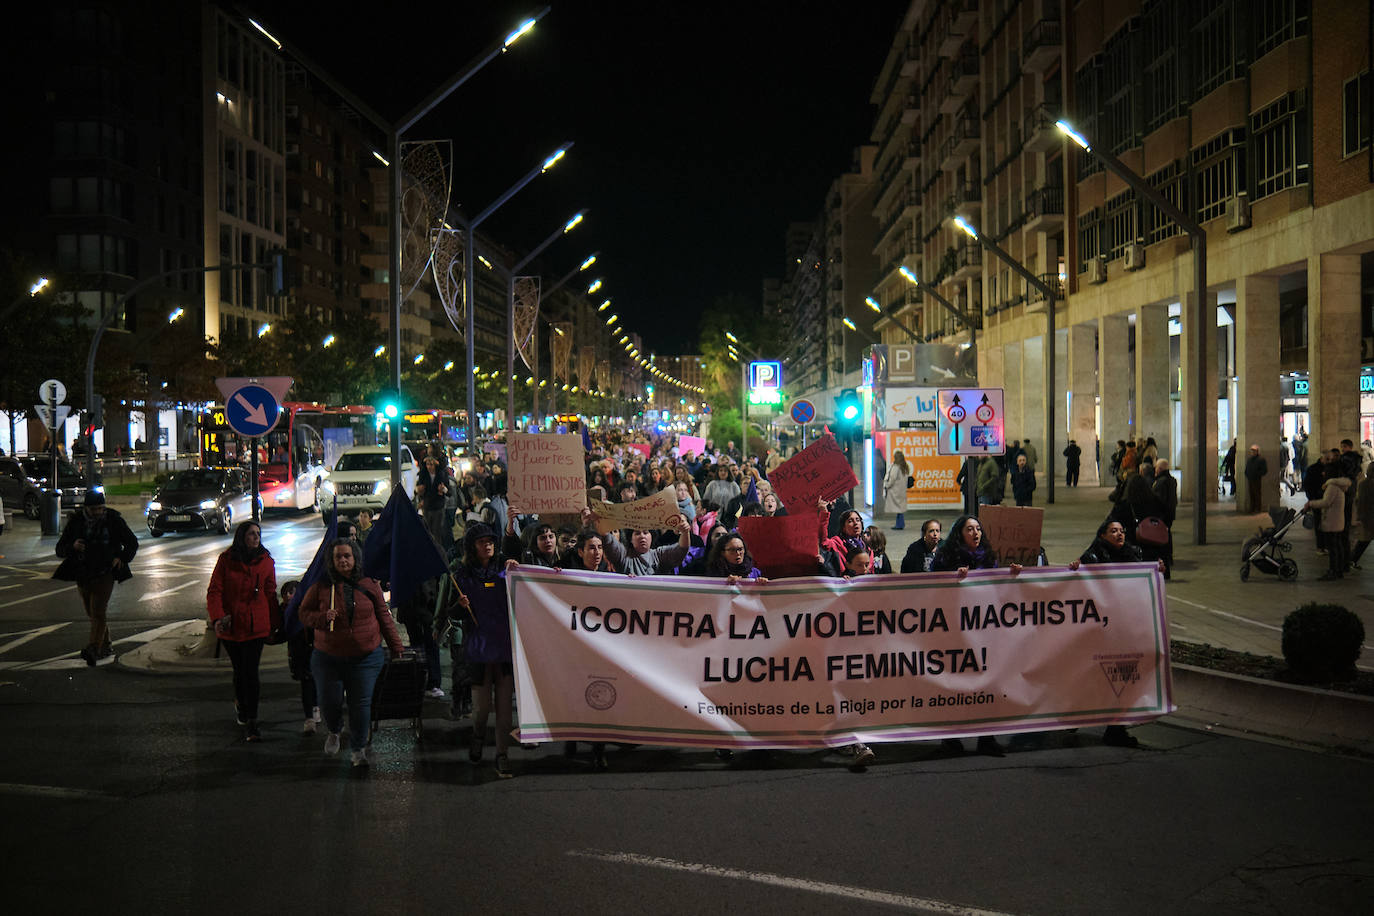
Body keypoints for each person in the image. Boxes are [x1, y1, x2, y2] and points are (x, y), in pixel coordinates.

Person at [297, 538, 404, 768]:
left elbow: (384, 617)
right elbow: (303, 613)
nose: (343, 560)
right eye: (338, 557)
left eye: (347, 556)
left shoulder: (369, 583)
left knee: (360, 704)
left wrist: (396, 645)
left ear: (355, 558)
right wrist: (322, 618)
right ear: (331, 561)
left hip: (365, 657)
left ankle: (358, 749)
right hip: (328, 658)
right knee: (329, 701)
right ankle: (335, 730)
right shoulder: (321, 585)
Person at [929, 515, 1020, 756]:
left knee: (987, 684)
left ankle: (986, 737)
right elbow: (930, 587)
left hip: (985, 633)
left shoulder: (988, 558)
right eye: (970, 529)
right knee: (956, 685)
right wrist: (952, 578)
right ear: (960, 533)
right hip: (956, 631)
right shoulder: (945, 558)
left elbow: (1000, 591)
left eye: (978, 528)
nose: (976, 533)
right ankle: (952, 739)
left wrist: (1011, 575)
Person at [1067, 519, 1162, 749]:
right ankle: (1074, 715)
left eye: (1121, 530)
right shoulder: (1093, 557)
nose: (1119, 534)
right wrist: (1074, 571)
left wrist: (1157, 570)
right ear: (1102, 536)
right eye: (1113, 531)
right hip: (1100, 632)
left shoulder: (1135, 554)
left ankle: (1116, 729)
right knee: (1094, 677)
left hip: (1125, 631)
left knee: (1121, 681)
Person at [451, 524, 517, 778]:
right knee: (481, 710)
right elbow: (452, 613)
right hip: (478, 650)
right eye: (481, 541)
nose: (487, 545)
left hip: (504, 648)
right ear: (472, 546)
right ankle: (478, 735)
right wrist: (459, 605)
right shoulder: (463, 575)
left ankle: (502, 755)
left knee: (503, 709)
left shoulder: (506, 568)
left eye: (490, 540)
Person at [207, 521, 281, 742]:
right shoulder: (226, 560)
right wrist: (218, 617)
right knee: (240, 671)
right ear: (242, 537)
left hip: (255, 627)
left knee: (251, 672)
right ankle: (241, 703)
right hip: (232, 626)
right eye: (251, 534)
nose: (256, 537)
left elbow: (270, 594)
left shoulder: (266, 561)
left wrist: (276, 624)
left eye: (258, 534)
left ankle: (252, 720)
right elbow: (215, 590)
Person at [54, 491, 138, 666]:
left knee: (98, 611)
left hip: (105, 572)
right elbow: (60, 548)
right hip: (83, 573)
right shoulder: (77, 522)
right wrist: (73, 546)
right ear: (87, 509)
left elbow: (132, 542)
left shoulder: (113, 520)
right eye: (94, 509)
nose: (98, 512)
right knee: (92, 613)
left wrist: (121, 557)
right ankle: (105, 645)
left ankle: (93, 648)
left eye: (101, 508)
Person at [281, 579, 321, 734]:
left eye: (293, 593)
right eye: (287, 593)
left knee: (314, 681)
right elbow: (283, 633)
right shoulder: (285, 611)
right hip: (299, 654)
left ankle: (315, 707)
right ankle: (309, 718)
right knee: (306, 683)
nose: (290, 596)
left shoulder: (309, 610)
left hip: (313, 650)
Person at [1303, 456, 1351, 580]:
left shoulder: (1332, 487)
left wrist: (1311, 503)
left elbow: (1326, 502)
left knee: (1333, 548)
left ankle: (1333, 571)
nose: (1323, 473)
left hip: (1332, 521)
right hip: (1337, 520)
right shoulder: (1339, 485)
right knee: (1337, 546)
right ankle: (1338, 570)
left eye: (1325, 471)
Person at [1151, 458, 1179, 578]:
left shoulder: (1161, 482)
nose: (1155, 470)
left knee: (1163, 540)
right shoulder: (1172, 480)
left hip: (1163, 515)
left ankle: (1166, 560)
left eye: (1156, 468)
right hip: (1170, 514)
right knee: (1168, 535)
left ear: (1160, 468)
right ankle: (1170, 557)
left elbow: (1159, 501)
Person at [415, 456, 450, 545]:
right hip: (427, 506)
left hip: (438, 506)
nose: (429, 467)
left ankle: (438, 549)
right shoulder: (424, 475)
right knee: (427, 530)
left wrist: (443, 489)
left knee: (437, 530)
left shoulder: (441, 475)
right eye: (427, 464)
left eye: (431, 464)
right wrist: (419, 491)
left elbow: (449, 491)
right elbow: (418, 489)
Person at [883, 449, 910, 530]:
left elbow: (892, 479)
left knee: (898, 509)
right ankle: (900, 523)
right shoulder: (905, 467)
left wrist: (886, 485)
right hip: (901, 490)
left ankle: (899, 524)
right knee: (900, 508)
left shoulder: (895, 467)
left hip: (894, 491)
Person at [1243, 444, 1268, 513]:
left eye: (1254, 451)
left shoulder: (1261, 459)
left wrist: (1257, 474)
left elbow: (1264, 470)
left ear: (1257, 451)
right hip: (1250, 479)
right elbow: (1247, 468)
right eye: (1252, 451)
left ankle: (1258, 508)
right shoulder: (1249, 459)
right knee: (1251, 494)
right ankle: (1252, 508)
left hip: (1257, 479)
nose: (1252, 452)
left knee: (1257, 494)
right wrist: (1247, 474)